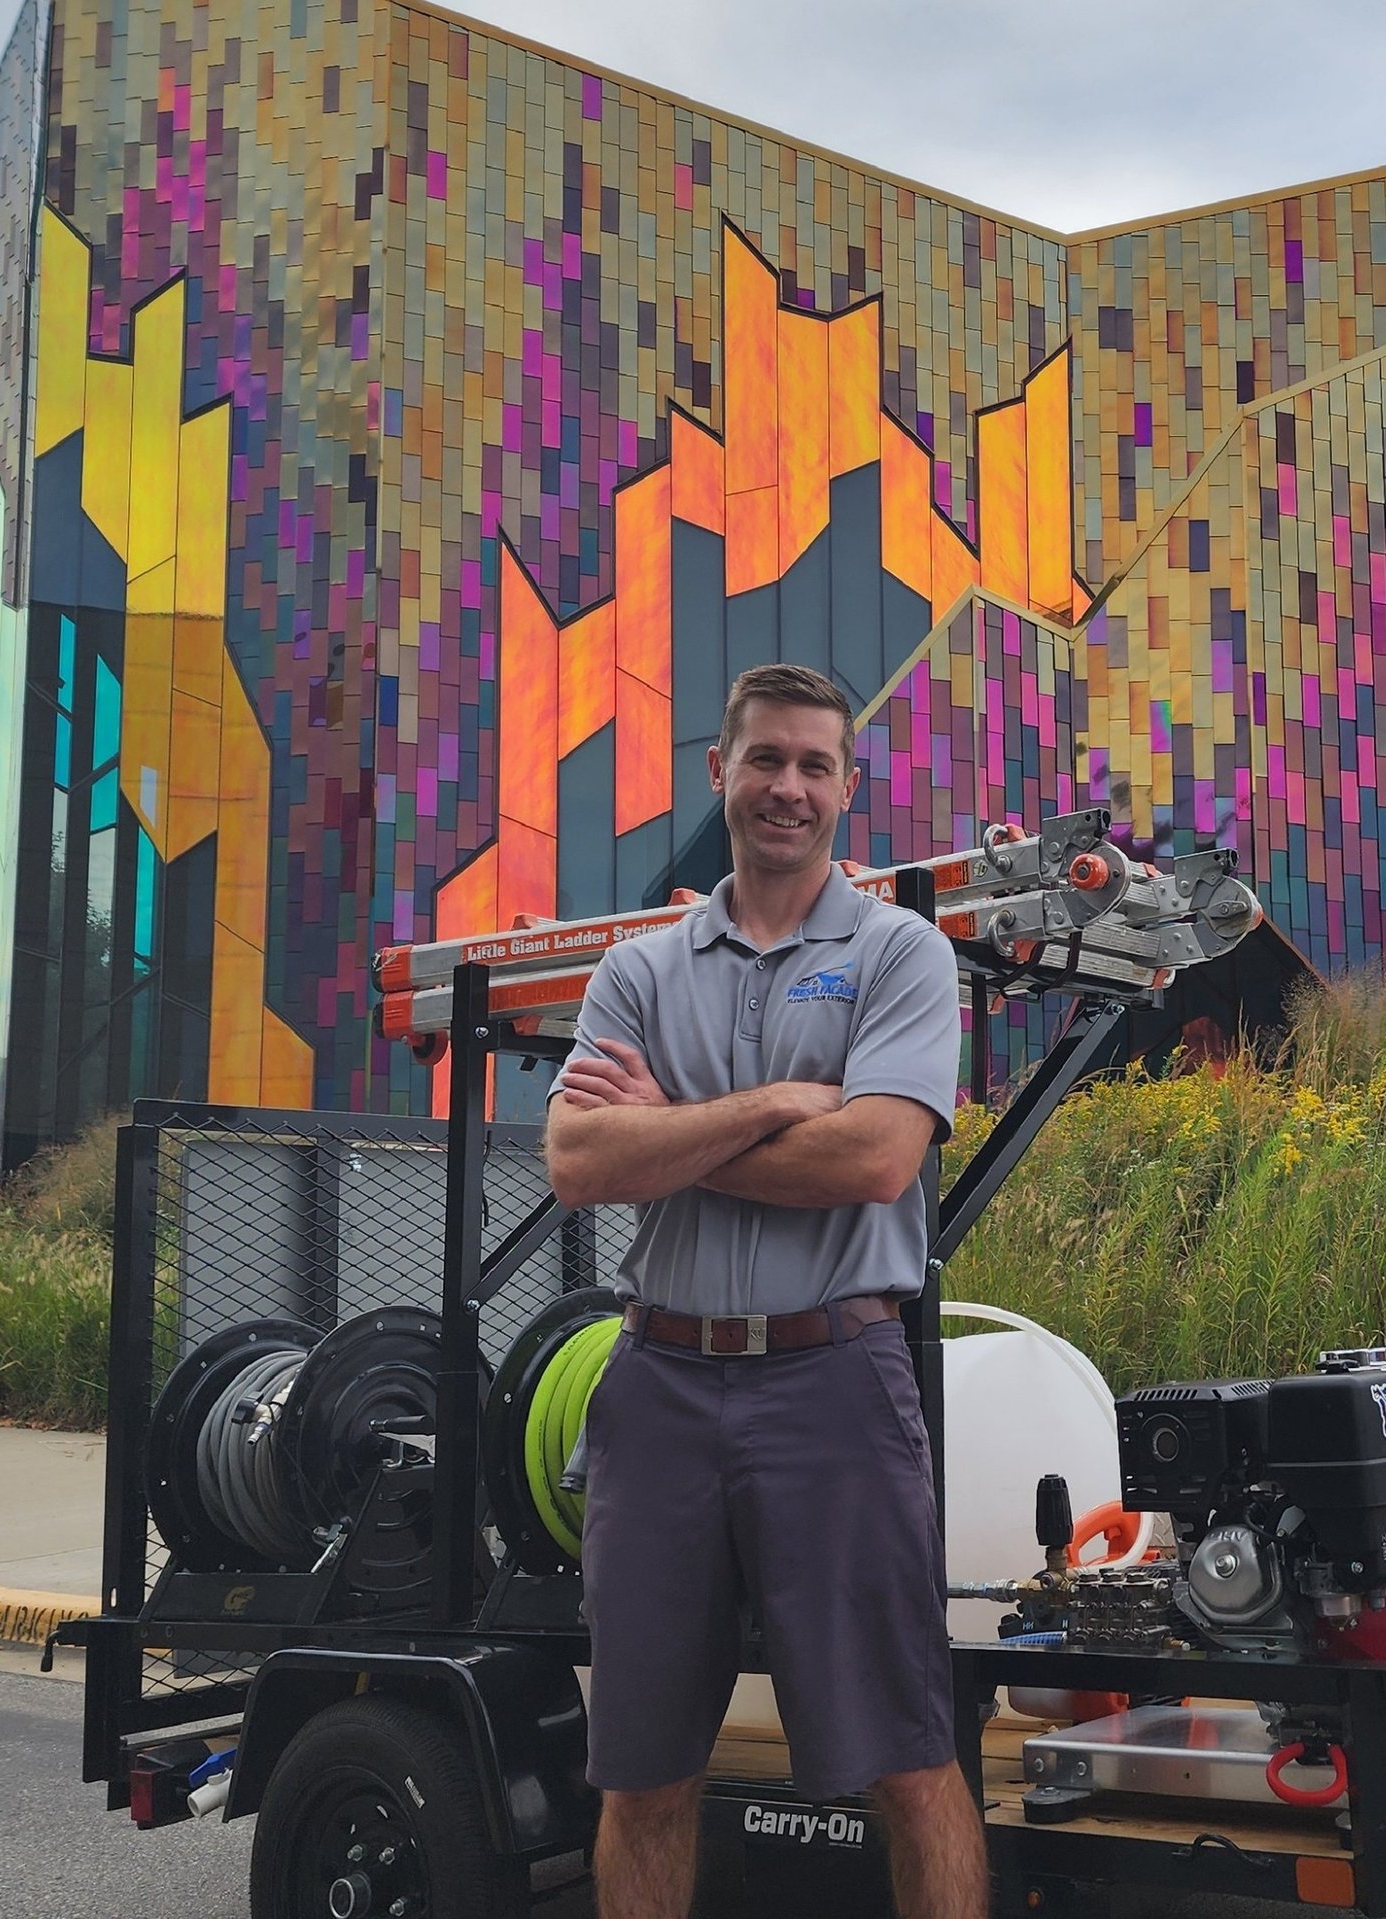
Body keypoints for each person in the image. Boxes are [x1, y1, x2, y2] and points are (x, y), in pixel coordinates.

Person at [544, 662, 989, 1919]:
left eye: (813, 764)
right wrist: (777, 1105)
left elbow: (876, 1157)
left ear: (848, 786)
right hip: (661, 1391)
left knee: (908, 1756)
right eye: (765, 759)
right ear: (718, 773)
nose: (786, 786)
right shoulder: (638, 971)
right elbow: (581, 1161)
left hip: (835, 1382)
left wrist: (672, 1133)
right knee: (641, 1773)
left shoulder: (902, 952)